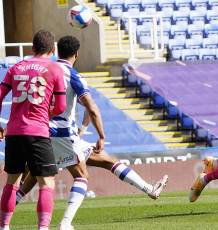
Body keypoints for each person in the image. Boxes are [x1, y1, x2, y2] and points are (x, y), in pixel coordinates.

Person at [16, 36, 168, 230]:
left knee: (104, 160)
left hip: (39, 130)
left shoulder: (45, 70)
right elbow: (92, 108)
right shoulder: (73, 76)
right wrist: (101, 136)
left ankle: (150, 189)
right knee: (81, 175)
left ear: (57, 51)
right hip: (61, 133)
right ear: (77, 54)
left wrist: (82, 129)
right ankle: (65, 223)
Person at [0, 30, 66, 230]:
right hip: (37, 132)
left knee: (12, 182)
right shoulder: (55, 69)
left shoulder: (16, 67)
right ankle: (43, 228)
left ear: (33, 48)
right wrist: (47, 115)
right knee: (46, 183)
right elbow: (61, 107)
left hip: (14, 132)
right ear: (53, 49)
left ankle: (4, 227)